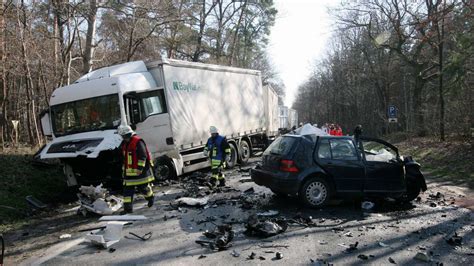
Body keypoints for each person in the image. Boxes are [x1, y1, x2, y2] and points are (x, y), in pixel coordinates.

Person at [118, 125, 155, 213]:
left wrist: (139, 168)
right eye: (123, 137)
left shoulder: (138, 142)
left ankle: (150, 198)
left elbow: (143, 156)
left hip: (140, 173)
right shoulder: (124, 143)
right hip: (129, 173)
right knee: (127, 192)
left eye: (125, 136)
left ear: (129, 134)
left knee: (144, 189)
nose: (124, 138)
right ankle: (128, 210)